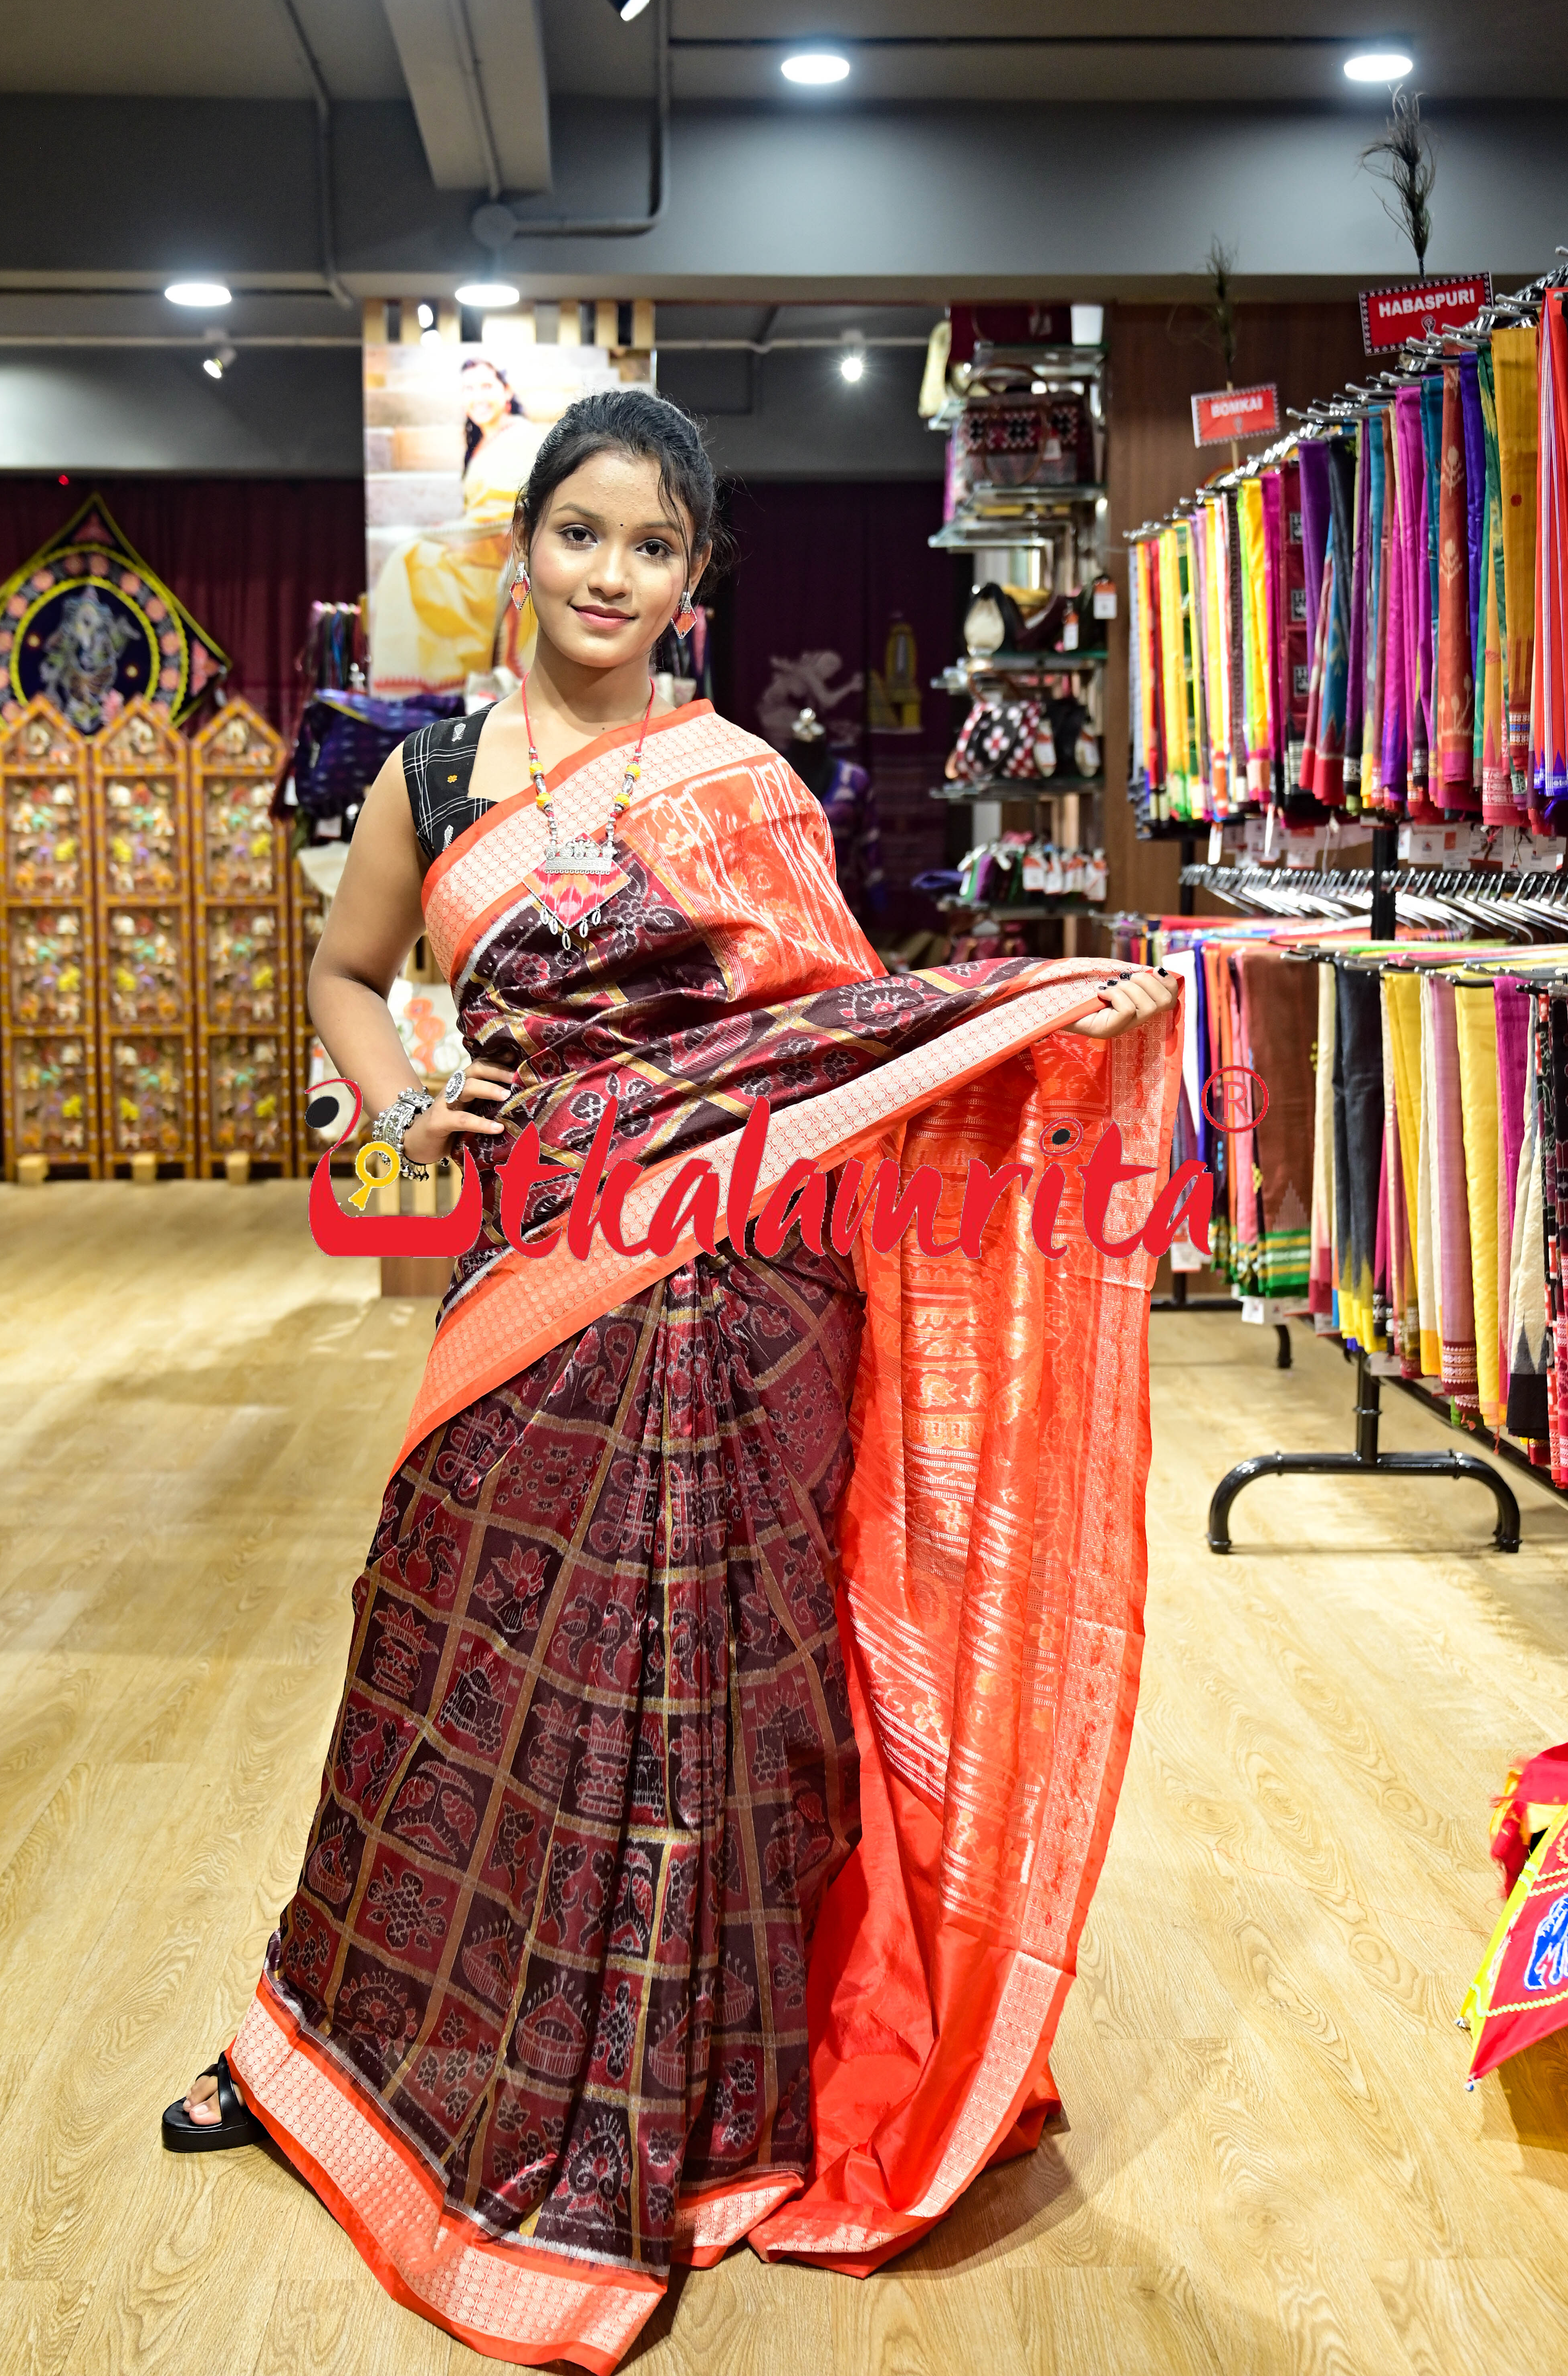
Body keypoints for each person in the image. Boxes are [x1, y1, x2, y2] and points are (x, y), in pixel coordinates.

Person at [162, 387, 1178, 2370]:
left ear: (695, 578)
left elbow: (836, 1037)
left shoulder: (744, 785)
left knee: (720, 1683)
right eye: (580, 535)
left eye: (653, 547)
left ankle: (717, 2101)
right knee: (451, 1657)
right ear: (520, 546)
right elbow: (348, 978)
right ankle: (351, 2048)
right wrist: (405, 1104)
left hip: (740, 1294)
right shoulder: (434, 775)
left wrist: (1041, 1007)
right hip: (524, 1270)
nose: (610, 575)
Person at [369, 353, 547, 695]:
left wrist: (459, 535)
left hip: (502, 552)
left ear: (506, 391)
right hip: (479, 546)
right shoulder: (483, 442)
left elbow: (515, 508)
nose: (478, 395)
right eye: (469, 388)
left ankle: (447, 675)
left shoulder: (519, 435)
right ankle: (430, 684)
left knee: (410, 560)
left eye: (486, 385)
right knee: (408, 560)